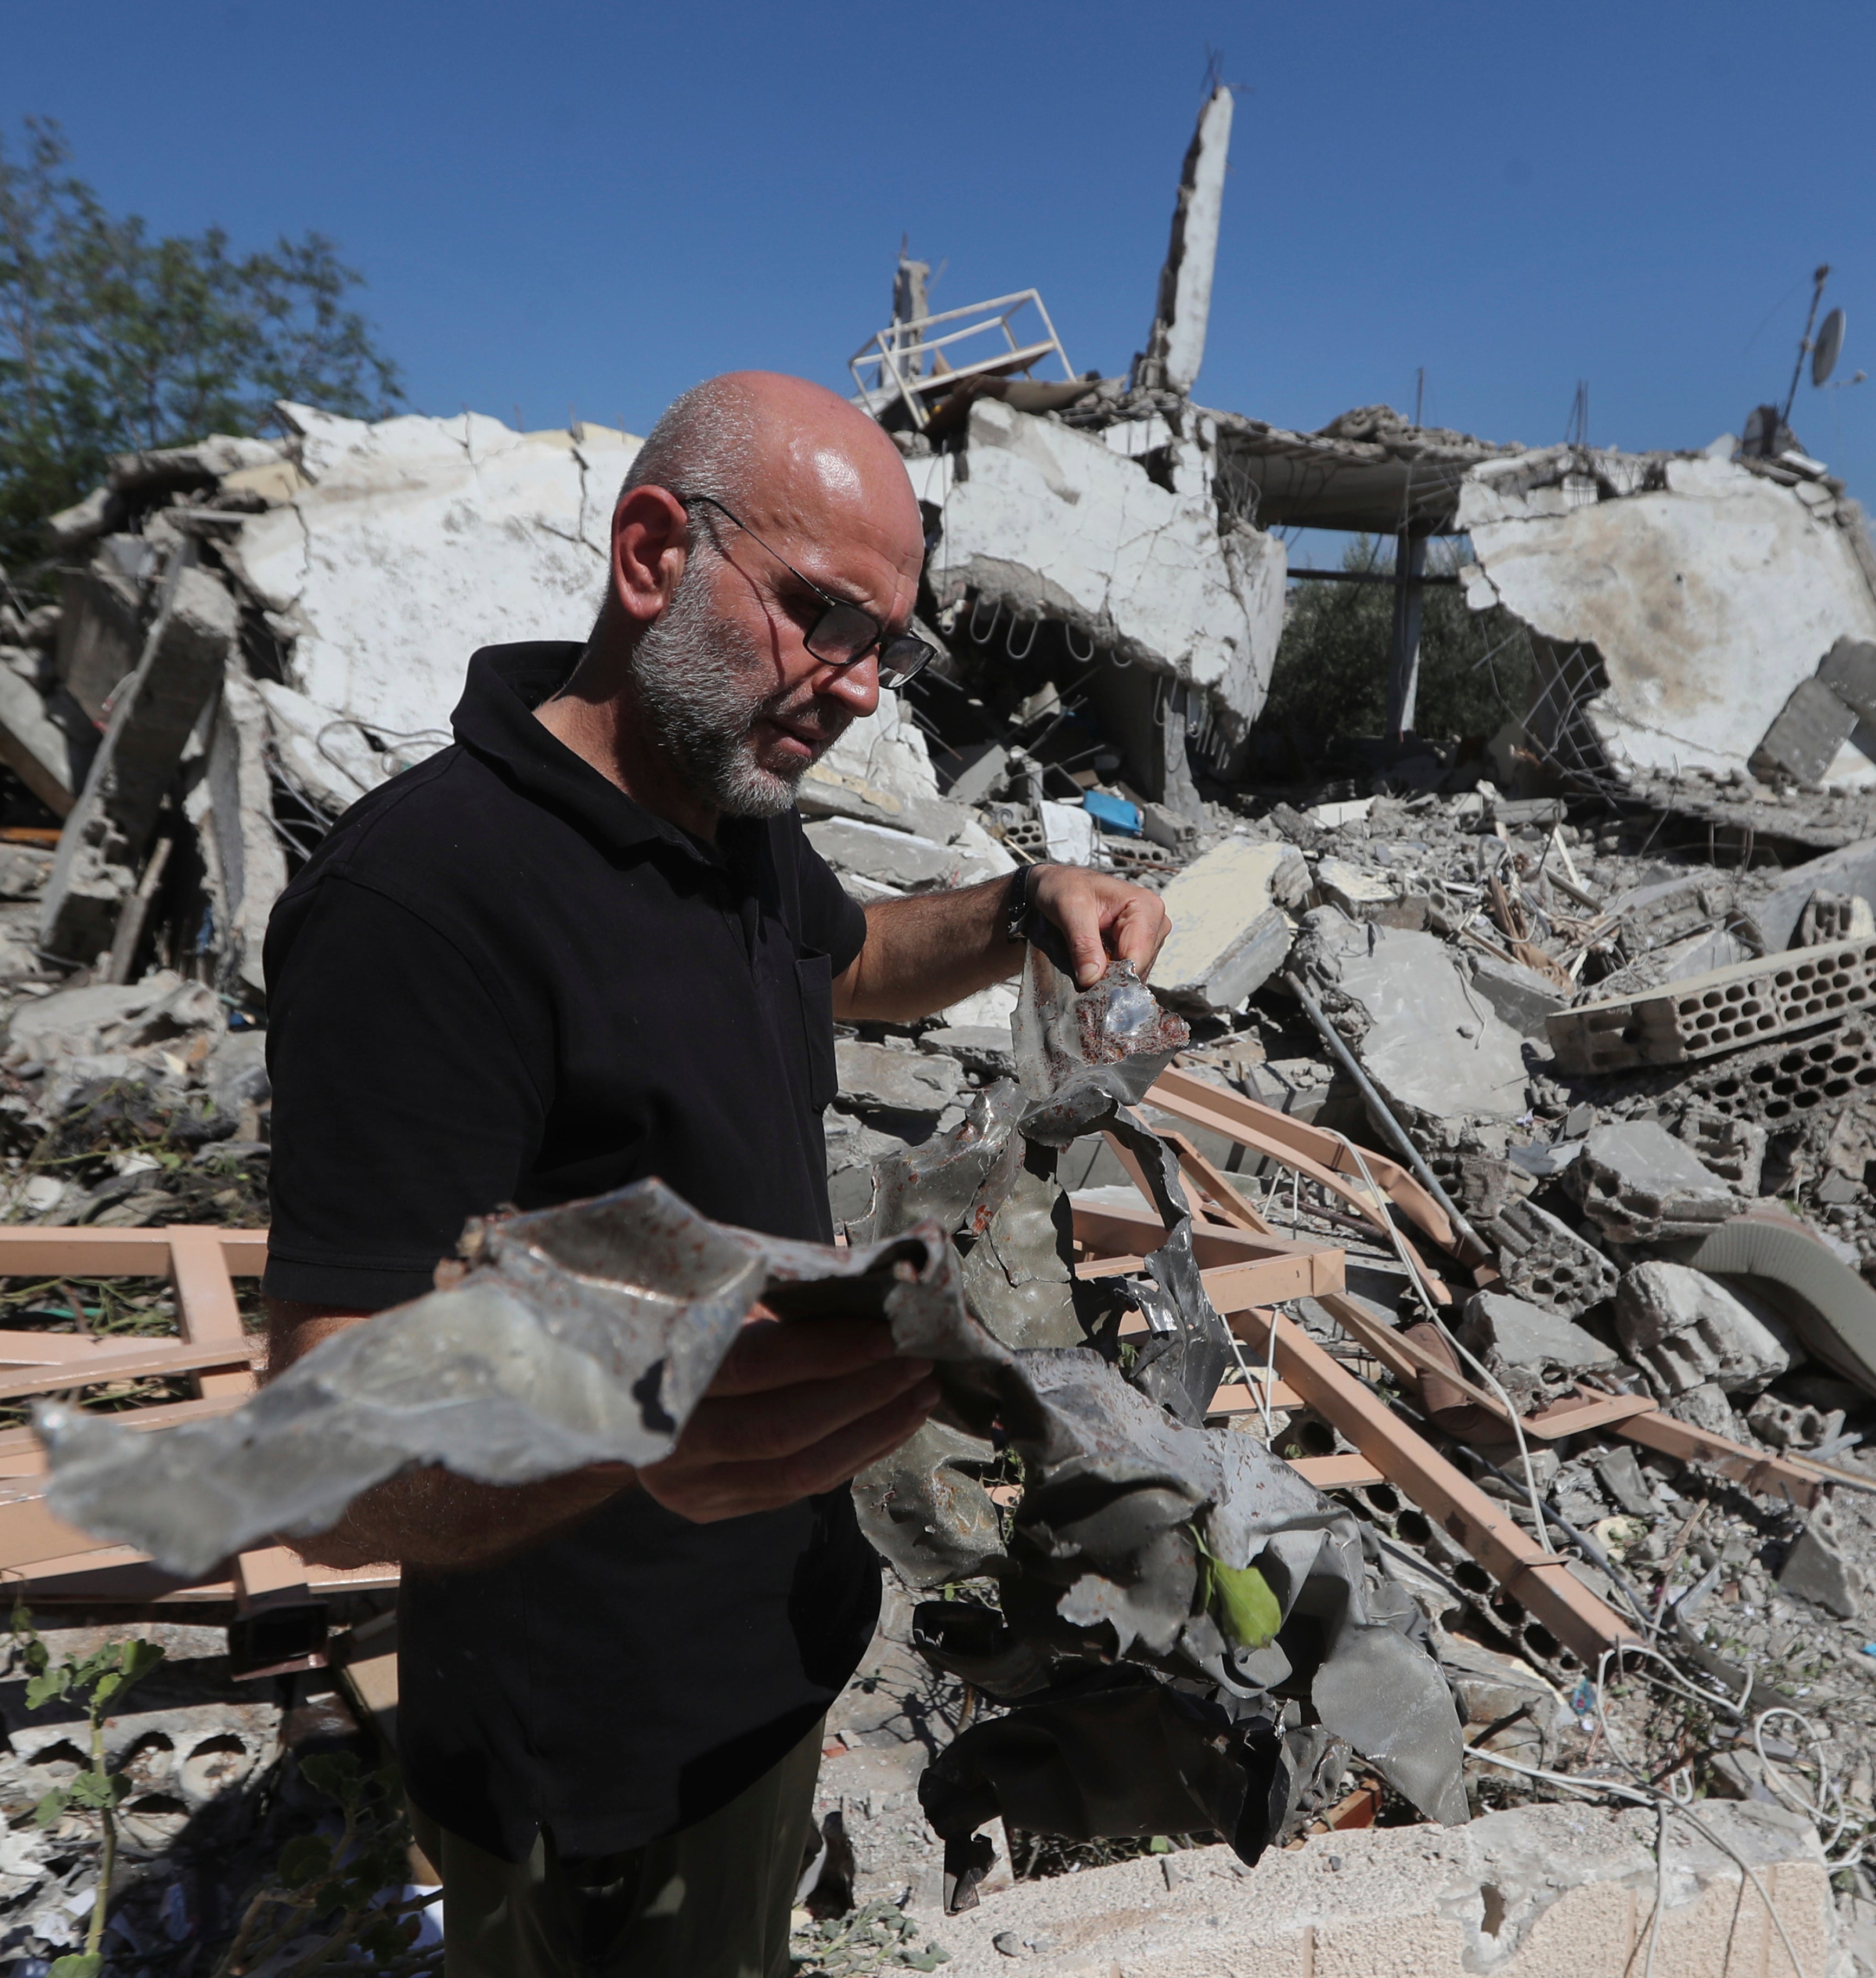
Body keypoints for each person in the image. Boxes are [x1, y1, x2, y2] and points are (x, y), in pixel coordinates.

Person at [257, 371, 1168, 1977]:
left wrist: (1026, 905)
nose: (864, 689)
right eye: (823, 618)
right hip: (589, 1756)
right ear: (653, 553)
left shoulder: (727, 819)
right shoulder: (427, 904)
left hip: (766, 1655)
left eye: (884, 645)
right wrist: (630, 1431)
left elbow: (850, 957)